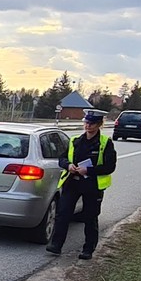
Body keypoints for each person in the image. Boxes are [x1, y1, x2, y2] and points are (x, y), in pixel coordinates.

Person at [46, 110, 117, 259]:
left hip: (92, 185)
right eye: (86, 122)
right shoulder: (75, 141)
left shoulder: (105, 143)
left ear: (99, 125)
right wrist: (68, 165)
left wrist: (89, 170)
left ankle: (88, 249)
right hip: (72, 182)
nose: (87, 126)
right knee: (63, 214)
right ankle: (56, 245)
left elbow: (110, 167)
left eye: (91, 123)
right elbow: (62, 159)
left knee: (90, 217)